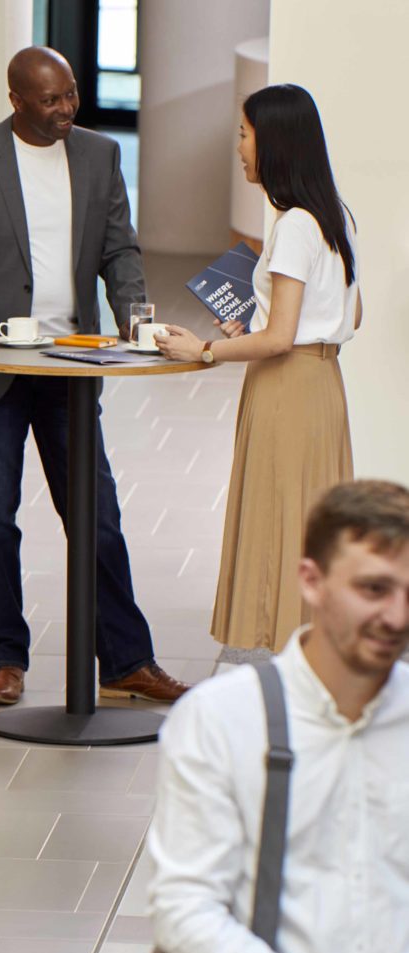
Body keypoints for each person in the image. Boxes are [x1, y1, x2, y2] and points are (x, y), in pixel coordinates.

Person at [0, 46, 188, 709]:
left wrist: (134, 319)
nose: (66, 108)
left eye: (70, 95)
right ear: (16, 100)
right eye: (50, 100)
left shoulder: (99, 155)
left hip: (72, 362)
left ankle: (126, 660)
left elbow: (119, 249)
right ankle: (5, 659)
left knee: (96, 518)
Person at [137, 480, 409, 953]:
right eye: (373, 589)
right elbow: (185, 905)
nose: (398, 616)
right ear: (310, 580)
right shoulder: (221, 718)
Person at [156, 84, 361, 654]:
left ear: (273, 142)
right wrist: (265, 324)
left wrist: (202, 350)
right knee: (312, 523)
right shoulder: (334, 216)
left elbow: (278, 340)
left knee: (281, 520)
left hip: (286, 388)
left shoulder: (294, 225)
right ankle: (318, 650)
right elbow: (352, 314)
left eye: (244, 135)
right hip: (323, 384)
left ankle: (288, 653)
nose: (239, 148)